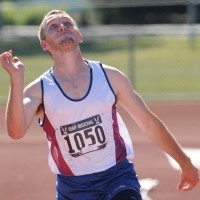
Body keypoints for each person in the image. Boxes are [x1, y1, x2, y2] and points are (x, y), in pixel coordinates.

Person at [0, 10, 199, 200]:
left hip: (117, 176)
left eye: (68, 23)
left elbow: (148, 122)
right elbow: (16, 131)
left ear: (79, 35)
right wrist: (16, 81)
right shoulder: (39, 91)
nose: (62, 27)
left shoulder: (110, 77)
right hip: (73, 188)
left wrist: (185, 162)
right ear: (44, 45)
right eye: (53, 26)